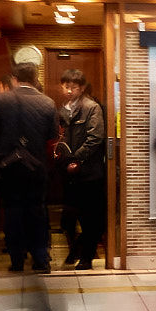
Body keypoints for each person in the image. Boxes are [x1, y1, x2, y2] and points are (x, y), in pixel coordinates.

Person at [0, 61, 59, 275]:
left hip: (9, 168)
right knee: (37, 213)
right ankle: (41, 260)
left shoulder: (2, 99)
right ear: (36, 79)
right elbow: (52, 135)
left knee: (13, 213)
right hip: (36, 167)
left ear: (15, 79)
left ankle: (17, 261)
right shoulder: (47, 102)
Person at [55, 69, 108, 270]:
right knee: (69, 215)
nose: (69, 90)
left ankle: (86, 257)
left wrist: (77, 158)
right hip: (69, 173)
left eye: (74, 87)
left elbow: (96, 138)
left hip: (89, 172)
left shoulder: (91, 107)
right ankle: (77, 249)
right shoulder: (62, 110)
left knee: (89, 217)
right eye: (66, 86)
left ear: (82, 88)